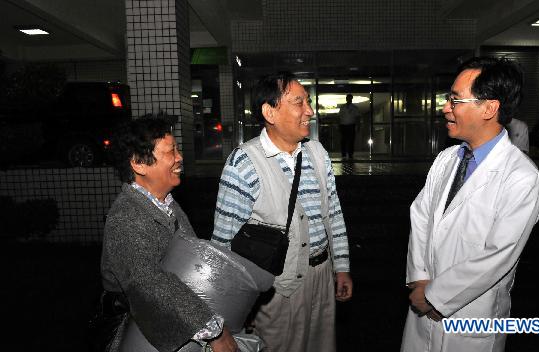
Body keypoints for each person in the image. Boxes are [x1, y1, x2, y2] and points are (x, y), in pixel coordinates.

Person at [400, 57, 539, 352]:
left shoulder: (522, 177)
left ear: (489, 108)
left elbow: (498, 255)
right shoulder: (446, 160)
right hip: (423, 308)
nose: (445, 108)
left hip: (472, 317)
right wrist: (419, 280)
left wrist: (436, 296)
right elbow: (421, 217)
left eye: (455, 100)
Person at [211, 72, 353, 352]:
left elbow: (333, 215)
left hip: (322, 277)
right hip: (277, 288)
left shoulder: (318, 153)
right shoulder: (243, 163)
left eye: (308, 102)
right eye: (298, 102)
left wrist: (342, 267)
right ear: (270, 112)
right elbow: (223, 244)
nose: (309, 111)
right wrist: (236, 308)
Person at [100, 117, 237, 352]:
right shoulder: (126, 218)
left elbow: (193, 260)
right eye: (171, 151)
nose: (179, 157)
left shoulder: (167, 205)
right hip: (138, 335)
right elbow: (148, 283)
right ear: (139, 164)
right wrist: (213, 329)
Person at [338, 93, 361, 159]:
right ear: (346, 99)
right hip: (343, 125)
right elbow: (339, 117)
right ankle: (343, 154)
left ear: (351, 99)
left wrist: (358, 126)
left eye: (349, 98)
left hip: (351, 125)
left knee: (351, 140)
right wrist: (339, 125)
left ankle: (350, 154)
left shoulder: (354, 108)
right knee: (343, 140)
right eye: (347, 98)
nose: (348, 99)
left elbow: (357, 117)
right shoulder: (342, 107)